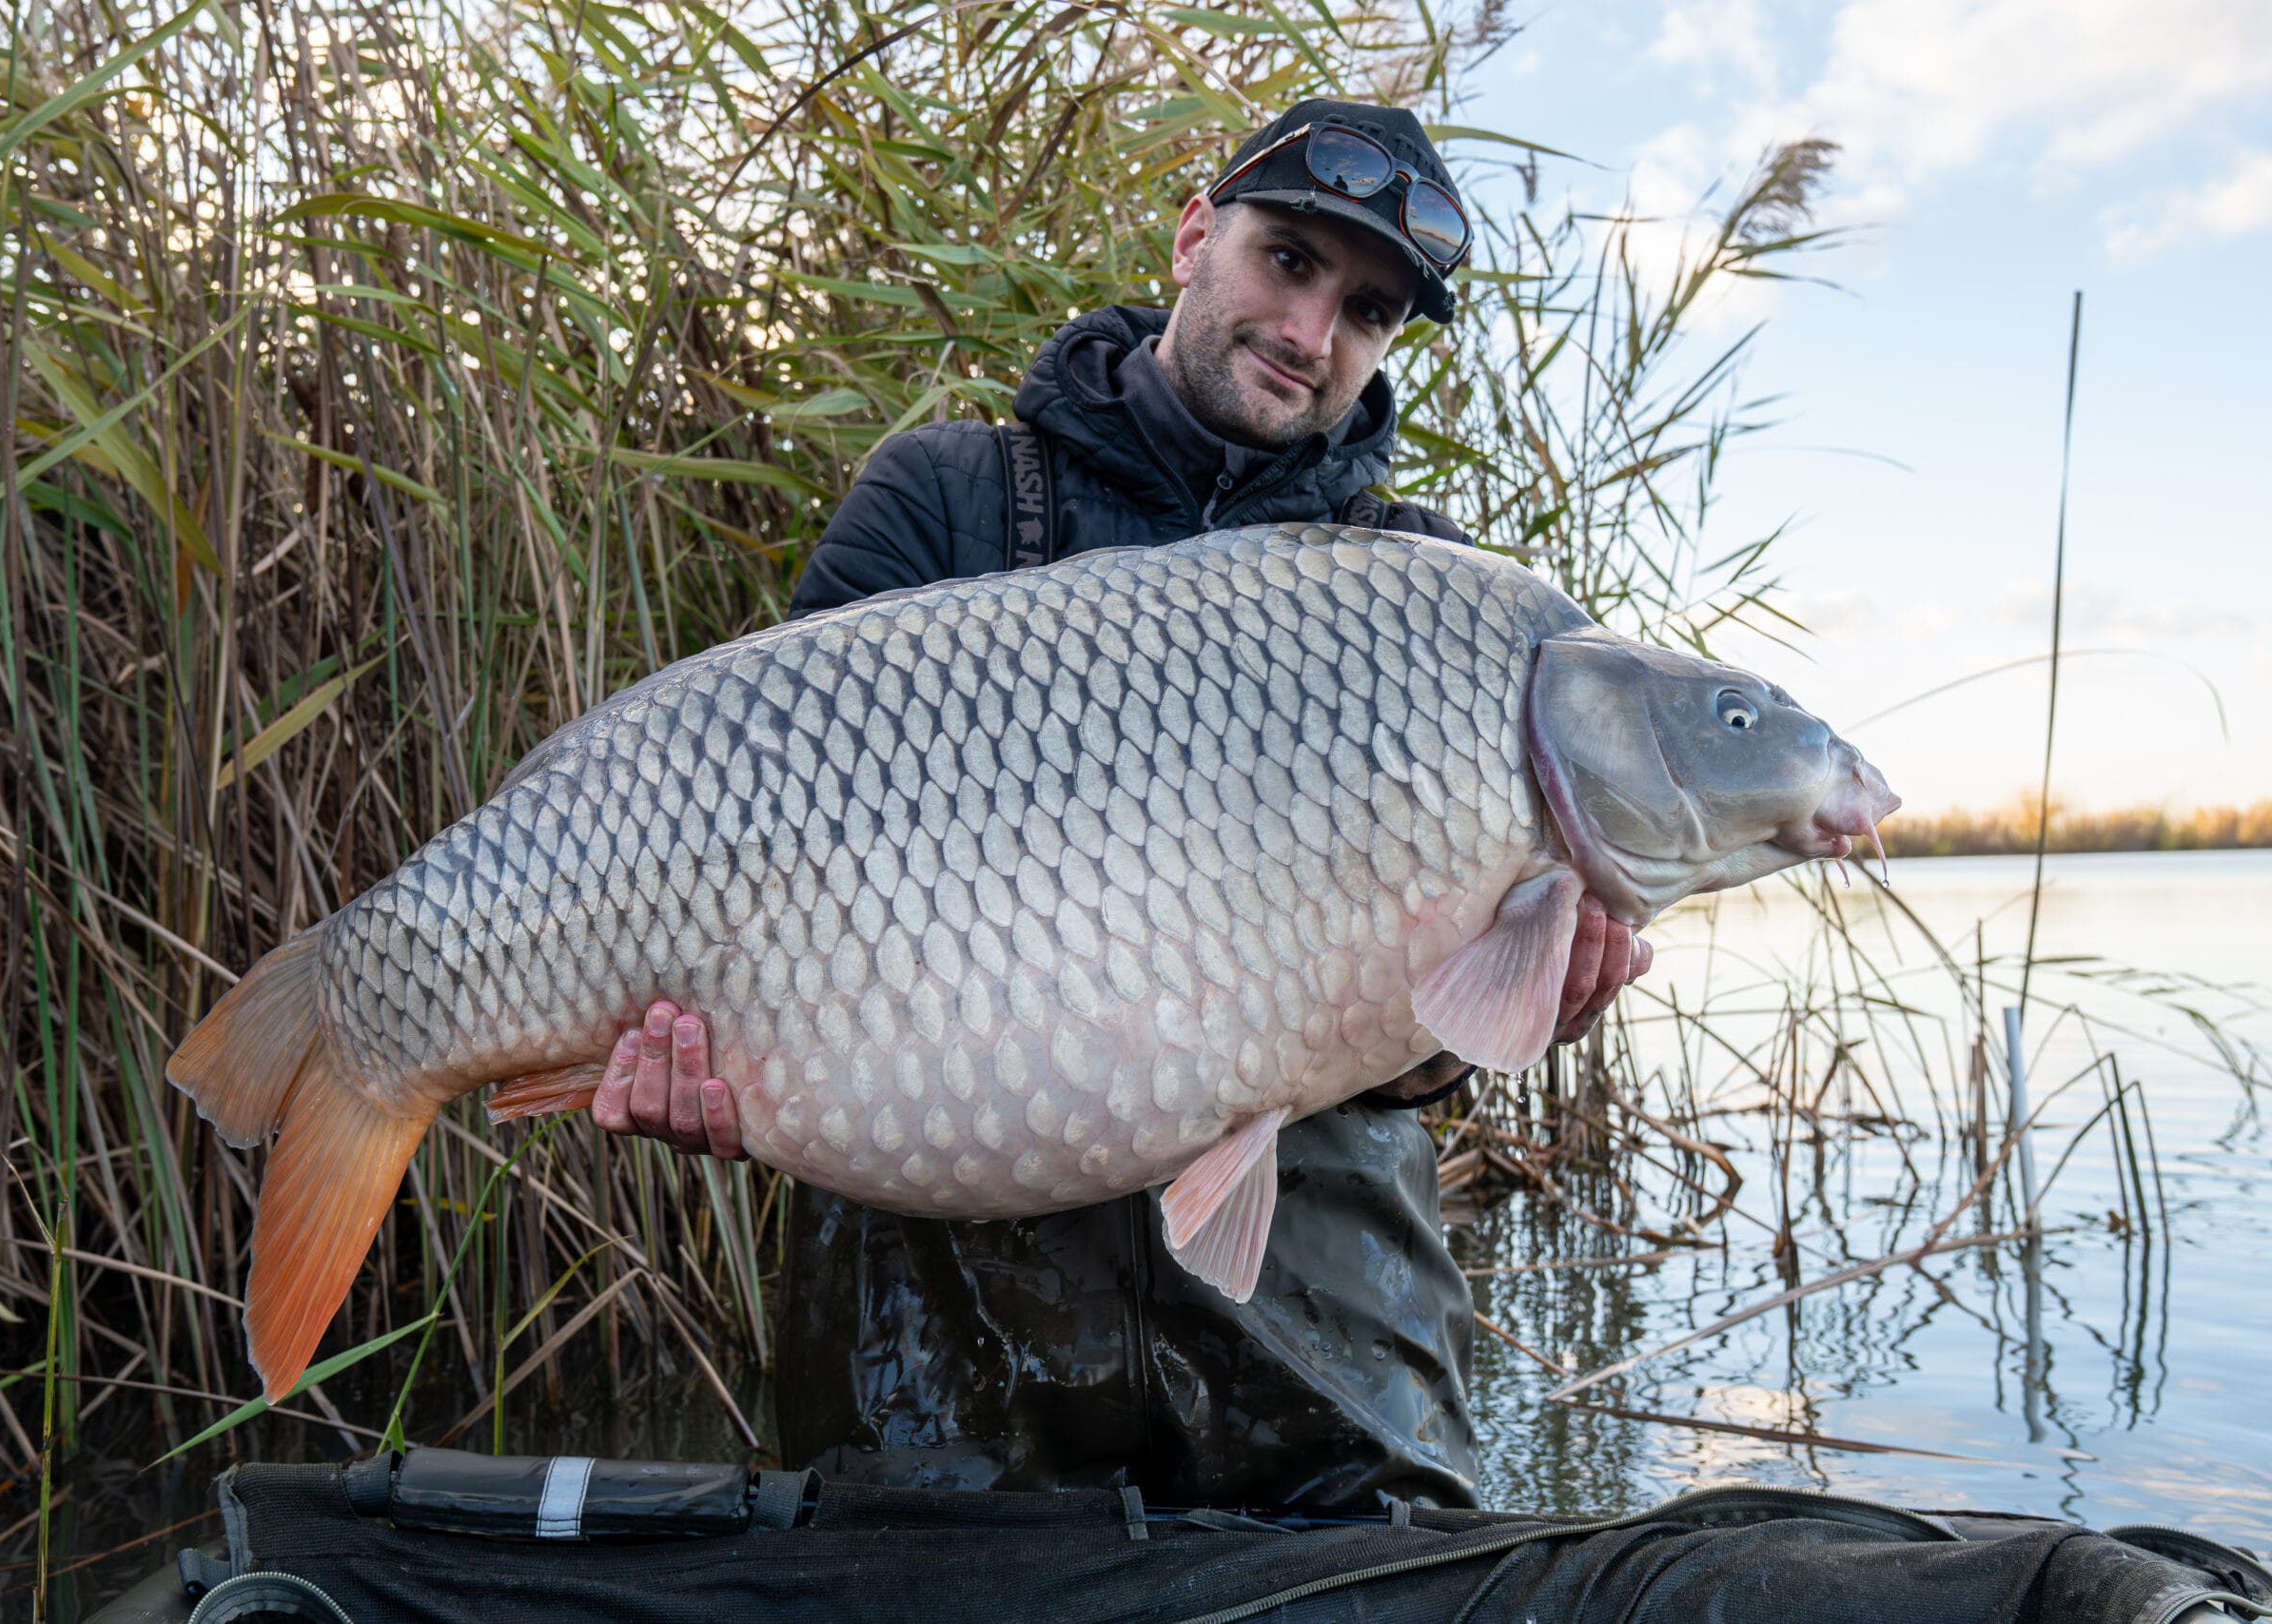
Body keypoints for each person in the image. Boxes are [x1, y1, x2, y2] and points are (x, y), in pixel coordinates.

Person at [592, 99, 1650, 1511]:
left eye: (1369, 309)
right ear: (1196, 235)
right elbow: (777, 859)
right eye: (1289, 261)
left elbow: (1417, 1054)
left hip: (1312, 1317)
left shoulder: (1432, 597)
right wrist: (704, 1046)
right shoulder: (948, 502)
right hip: (940, 1292)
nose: (1312, 329)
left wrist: (1508, 1009)